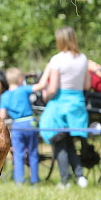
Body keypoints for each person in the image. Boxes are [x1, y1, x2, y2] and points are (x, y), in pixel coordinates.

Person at [33, 26, 91, 188]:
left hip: (59, 105)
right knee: (70, 142)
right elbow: (87, 85)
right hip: (77, 105)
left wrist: (44, 97)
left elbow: (52, 89)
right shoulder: (83, 58)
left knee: (59, 143)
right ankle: (80, 177)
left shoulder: (57, 59)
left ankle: (65, 180)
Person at [0, 67, 39, 184]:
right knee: (33, 153)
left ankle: (19, 181)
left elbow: (2, 115)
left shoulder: (4, 96)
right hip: (30, 122)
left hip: (17, 125)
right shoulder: (23, 90)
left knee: (18, 154)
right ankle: (34, 181)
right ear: (20, 79)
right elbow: (40, 86)